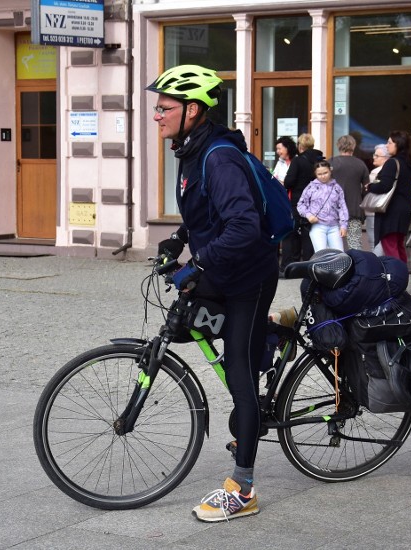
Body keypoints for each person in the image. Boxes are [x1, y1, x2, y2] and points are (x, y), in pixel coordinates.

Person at [148, 64, 279, 522]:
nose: (156, 115)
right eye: (157, 107)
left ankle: (243, 490)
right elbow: (206, 210)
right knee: (194, 322)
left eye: (163, 108)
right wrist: (180, 239)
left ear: (192, 110)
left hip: (249, 276)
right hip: (225, 269)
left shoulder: (218, 156)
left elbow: (243, 224)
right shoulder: (192, 150)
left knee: (240, 375)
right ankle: (269, 340)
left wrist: (197, 264)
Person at [364, 131, 411, 262]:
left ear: (398, 144)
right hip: (404, 210)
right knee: (399, 245)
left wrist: (370, 186)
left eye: (389, 142)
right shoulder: (409, 163)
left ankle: (395, 277)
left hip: (391, 211)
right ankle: (402, 277)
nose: (387, 146)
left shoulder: (392, 163)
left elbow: (385, 186)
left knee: (390, 246)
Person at [282, 132, 323, 268]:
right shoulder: (320, 161)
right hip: (316, 202)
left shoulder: (298, 161)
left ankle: (288, 265)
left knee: (290, 233)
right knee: (309, 233)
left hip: (298, 201)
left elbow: (289, 182)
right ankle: (309, 265)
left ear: (300, 146)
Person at [296, 160, 349, 251]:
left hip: (334, 226)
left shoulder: (336, 188)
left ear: (330, 171)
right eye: (319, 174)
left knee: (339, 254)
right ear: (315, 174)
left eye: (325, 173)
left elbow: (342, 207)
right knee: (321, 254)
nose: (323, 176)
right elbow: (301, 204)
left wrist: (343, 225)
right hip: (317, 226)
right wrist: (308, 215)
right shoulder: (311, 187)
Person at [330, 135, 369, 250]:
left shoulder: (331, 163)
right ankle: (357, 267)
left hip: (332, 210)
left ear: (338, 146)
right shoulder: (360, 164)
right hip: (354, 209)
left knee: (333, 245)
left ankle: (336, 267)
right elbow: (366, 188)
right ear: (353, 146)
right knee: (355, 243)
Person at [365, 143, 390, 252]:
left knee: (374, 243)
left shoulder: (376, 172)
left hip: (374, 211)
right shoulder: (393, 172)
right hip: (387, 211)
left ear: (386, 158)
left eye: (377, 156)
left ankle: (375, 267)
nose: (373, 157)